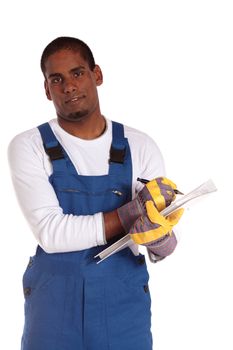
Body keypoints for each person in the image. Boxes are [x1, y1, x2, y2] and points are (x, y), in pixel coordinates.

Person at [8, 36, 183, 350]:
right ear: (47, 90)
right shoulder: (29, 146)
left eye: (77, 73)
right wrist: (130, 213)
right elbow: (51, 233)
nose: (69, 86)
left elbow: (157, 230)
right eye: (56, 79)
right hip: (53, 309)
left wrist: (161, 241)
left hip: (123, 307)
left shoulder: (140, 146)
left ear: (97, 74)